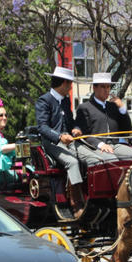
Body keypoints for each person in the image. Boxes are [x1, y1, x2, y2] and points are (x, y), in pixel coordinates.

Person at [35, 66, 86, 220]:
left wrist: (76, 129)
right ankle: (76, 202)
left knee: (90, 158)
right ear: (64, 83)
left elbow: (71, 122)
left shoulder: (65, 101)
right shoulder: (44, 100)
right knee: (72, 162)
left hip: (70, 142)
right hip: (52, 144)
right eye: (70, 84)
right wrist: (59, 137)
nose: (71, 87)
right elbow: (42, 127)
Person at [75, 72, 132, 161]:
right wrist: (101, 145)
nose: (106, 90)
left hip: (116, 145)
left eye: (108, 87)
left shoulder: (113, 106)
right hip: (95, 147)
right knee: (112, 161)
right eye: (103, 87)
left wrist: (122, 108)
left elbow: (126, 131)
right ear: (94, 88)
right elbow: (84, 134)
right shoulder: (84, 107)